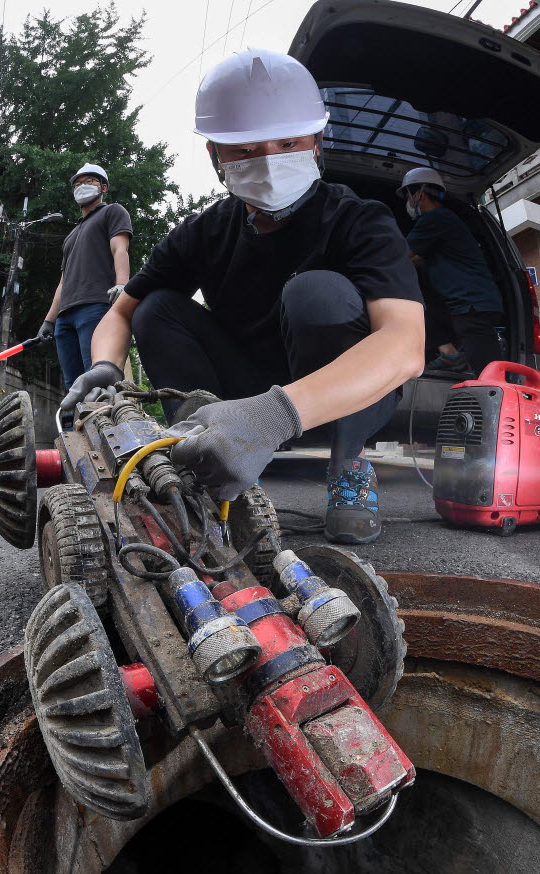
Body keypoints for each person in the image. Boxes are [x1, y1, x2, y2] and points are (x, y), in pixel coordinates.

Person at [60, 50, 424, 545]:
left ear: (316, 143)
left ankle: (349, 465)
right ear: (216, 157)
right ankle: (203, 457)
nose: (270, 161)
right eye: (246, 151)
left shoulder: (359, 219)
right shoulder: (203, 232)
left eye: (288, 142)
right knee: (158, 306)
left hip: (346, 399)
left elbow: (405, 344)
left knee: (315, 292)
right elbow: (122, 311)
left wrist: (274, 414)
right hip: (244, 394)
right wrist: (105, 366)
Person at [399, 167, 503, 376]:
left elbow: (400, 255)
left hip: (472, 305)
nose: (408, 203)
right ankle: (451, 354)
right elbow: (417, 260)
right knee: (422, 305)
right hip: (468, 304)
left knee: (487, 373)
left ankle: (493, 400)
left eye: (408, 196)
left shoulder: (434, 219)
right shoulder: (444, 221)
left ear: (419, 194)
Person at [37, 163, 133, 391]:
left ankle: (105, 425)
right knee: (73, 385)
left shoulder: (113, 212)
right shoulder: (71, 236)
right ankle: (78, 427)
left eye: (90, 181)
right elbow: (63, 281)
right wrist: (49, 321)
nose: (83, 186)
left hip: (96, 307)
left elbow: (120, 250)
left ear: (103, 187)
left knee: (96, 378)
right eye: (78, 184)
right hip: (65, 318)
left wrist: (122, 286)